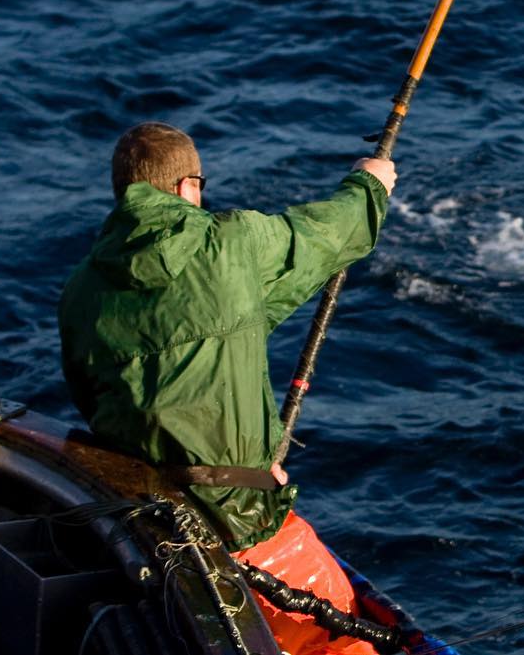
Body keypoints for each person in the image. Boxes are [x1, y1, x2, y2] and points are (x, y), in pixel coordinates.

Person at [59, 121, 397, 655]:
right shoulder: (229, 245)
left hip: (142, 525)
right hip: (238, 523)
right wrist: (370, 185)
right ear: (186, 186)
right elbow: (328, 235)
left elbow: (92, 399)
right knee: (342, 636)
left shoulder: (81, 288)